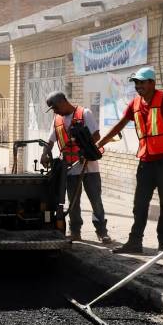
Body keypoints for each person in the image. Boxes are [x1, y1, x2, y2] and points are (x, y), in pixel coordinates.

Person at [97, 67, 163, 255]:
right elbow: (119, 125)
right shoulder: (135, 103)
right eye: (136, 83)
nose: (138, 86)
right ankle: (135, 242)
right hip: (145, 161)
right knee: (139, 204)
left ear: (152, 83)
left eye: (142, 82)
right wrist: (99, 143)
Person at [40, 91, 111, 243]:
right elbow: (50, 141)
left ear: (63, 102)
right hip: (70, 168)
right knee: (73, 202)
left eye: (55, 107)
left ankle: (102, 231)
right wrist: (45, 154)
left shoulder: (84, 113)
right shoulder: (57, 119)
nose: (55, 111)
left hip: (89, 166)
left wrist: (83, 149)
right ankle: (75, 231)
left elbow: (96, 135)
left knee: (95, 200)